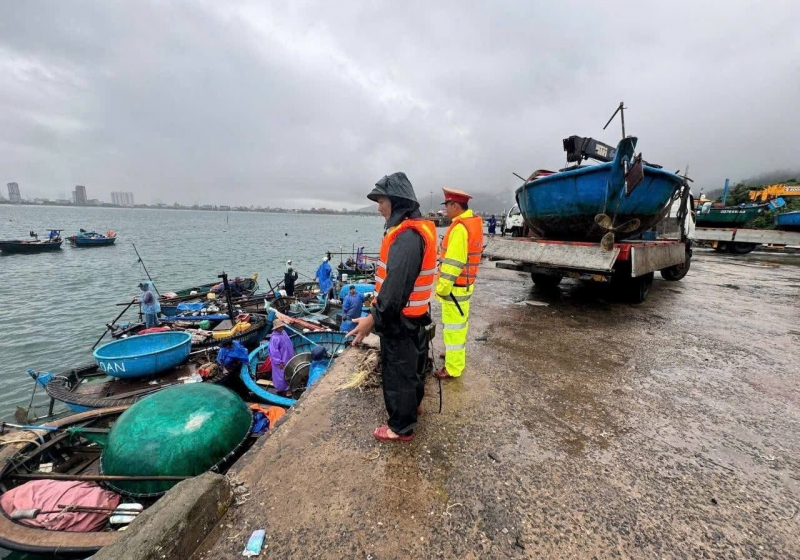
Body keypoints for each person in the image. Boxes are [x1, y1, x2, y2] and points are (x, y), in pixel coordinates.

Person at [347, 172, 437, 443]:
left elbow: (394, 290)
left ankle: (400, 427)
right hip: (416, 316)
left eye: (382, 200)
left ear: (397, 202)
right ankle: (413, 408)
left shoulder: (407, 237)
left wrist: (371, 320)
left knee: (398, 373)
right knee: (414, 367)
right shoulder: (418, 230)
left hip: (401, 320)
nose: (378, 207)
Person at [434, 188, 484, 380]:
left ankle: (453, 368)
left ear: (455, 206)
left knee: (454, 327)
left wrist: (441, 288)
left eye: (447, 206)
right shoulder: (472, 223)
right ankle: (453, 355)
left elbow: (453, 264)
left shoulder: (459, 229)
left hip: (454, 289)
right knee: (459, 326)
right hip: (464, 286)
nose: (445, 210)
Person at [268, 319, 295, 397]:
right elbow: (274, 352)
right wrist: (279, 362)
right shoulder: (274, 338)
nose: (281, 328)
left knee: (289, 372)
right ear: (276, 328)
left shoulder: (284, 333)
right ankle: (286, 389)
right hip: (281, 360)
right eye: (280, 327)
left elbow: (289, 343)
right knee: (281, 375)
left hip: (288, 357)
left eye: (282, 326)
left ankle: (288, 386)